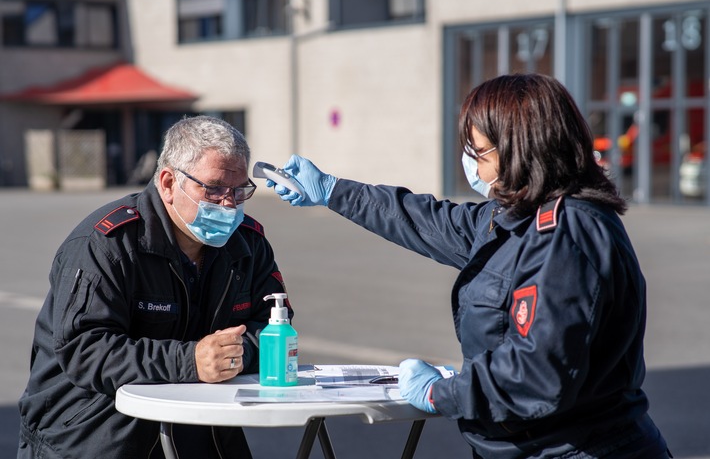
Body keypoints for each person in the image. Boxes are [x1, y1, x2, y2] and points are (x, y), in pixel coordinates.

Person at [266, 74, 670, 457]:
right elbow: (426, 220)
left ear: (520, 147)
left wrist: (443, 392)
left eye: (479, 151)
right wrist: (333, 191)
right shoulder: (515, 217)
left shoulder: (565, 233)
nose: (470, 161)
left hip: (574, 449)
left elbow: (537, 375)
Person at [18, 115, 293, 459]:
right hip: (94, 434)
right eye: (214, 189)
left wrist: (233, 355)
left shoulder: (248, 244)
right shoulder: (107, 245)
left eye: (240, 191)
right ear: (167, 183)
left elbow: (274, 325)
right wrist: (191, 361)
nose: (229, 204)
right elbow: (84, 350)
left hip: (201, 429)